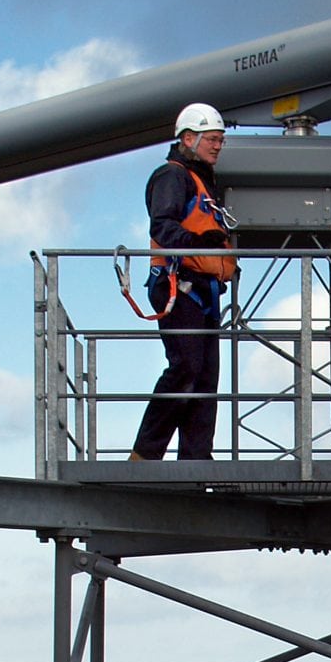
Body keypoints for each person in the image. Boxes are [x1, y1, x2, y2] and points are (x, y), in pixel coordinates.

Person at [130, 102, 237, 462]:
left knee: (205, 380)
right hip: (179, 286)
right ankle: (145, 455)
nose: (218, 145)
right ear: (188, 138)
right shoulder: (171, 176)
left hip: (202, 290)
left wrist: (223, 265)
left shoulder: (203, 182)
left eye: (221, 139)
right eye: (212, 138)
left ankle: (195, 460)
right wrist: (199, 245)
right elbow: (162, 225)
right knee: (186, 370)